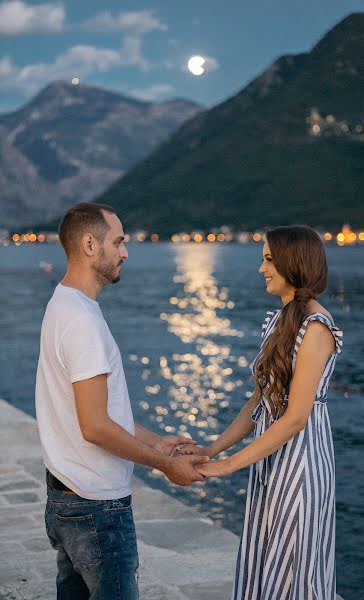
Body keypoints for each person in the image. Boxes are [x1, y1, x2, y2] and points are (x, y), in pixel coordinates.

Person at [35, 202, 209, 600]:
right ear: (90, 244)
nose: (126, 251)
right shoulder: (82, 321)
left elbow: (96, 412)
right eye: (119, 241)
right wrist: (166, 465)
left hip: (67, 499)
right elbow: (94, 426)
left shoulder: (62, 304)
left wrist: (154, 441)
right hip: (96, 509)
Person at [185, 225, 344, 599]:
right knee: (267, 561)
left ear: (294, 262)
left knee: (294, 570)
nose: (262, 269)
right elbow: (258, 404)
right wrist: (212, 449)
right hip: (272, 462)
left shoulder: (316, 327)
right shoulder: (280, 321)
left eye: (269, 259)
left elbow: (295, 417)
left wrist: (227, 466)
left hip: (301, 465)